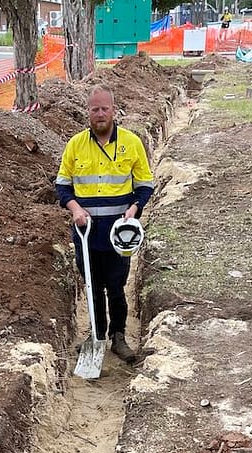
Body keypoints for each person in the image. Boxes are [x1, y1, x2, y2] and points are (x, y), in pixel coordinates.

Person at [55, 85, 155, 364]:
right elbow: (62, 186)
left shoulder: (131, 143)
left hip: (118, 234)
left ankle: (118, 337)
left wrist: (134, 210)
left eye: (104, 109)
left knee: (116, 286)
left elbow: (145, 184)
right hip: (86, 234)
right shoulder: (75, 145)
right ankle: (97, 334)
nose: (100, 114)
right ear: (88, 112)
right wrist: (75, 209)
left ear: (113, 110)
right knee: (92, 287)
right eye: (95, 109)